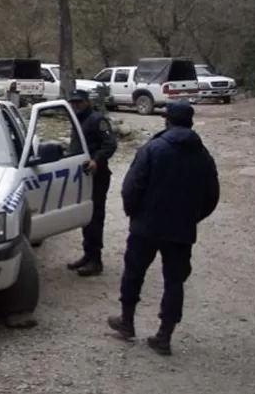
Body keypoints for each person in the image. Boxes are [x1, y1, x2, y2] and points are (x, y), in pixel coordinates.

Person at [107, 101, 220, 356]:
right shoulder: (203, 155)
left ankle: (127, 322)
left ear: (167, 120)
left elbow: (131, 187)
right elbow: (212, 196)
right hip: (181, 230)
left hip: (146, 227)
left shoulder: (153, 148)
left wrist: (133, 213)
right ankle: (164, 336)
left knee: (134, 273)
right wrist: (192, 218)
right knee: (174, 281)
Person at [65, 89, 117, 276]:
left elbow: (110, 144)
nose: (76, 105)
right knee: (85, 216)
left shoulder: (97, 120)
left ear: (87, 102)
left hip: (98, 175)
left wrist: (97, 160)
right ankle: (88, 254)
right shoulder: (77, 120)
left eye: (79, 102)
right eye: (73, 102)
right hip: (82, 175)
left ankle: (96, 259)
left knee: (95, 216)